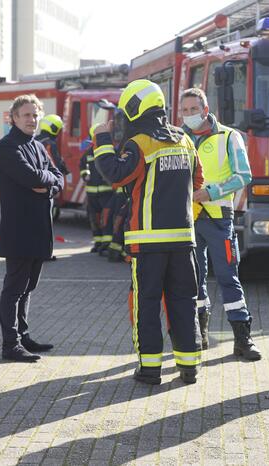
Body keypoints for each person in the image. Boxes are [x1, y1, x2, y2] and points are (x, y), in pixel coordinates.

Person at [94, 79, 204, 385]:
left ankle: (150, 369)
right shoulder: (184, 140)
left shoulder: (139, 143)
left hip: (148, 242)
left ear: (134, 109)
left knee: (147, 304)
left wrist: (102, 140)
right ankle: (189, 366)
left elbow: (117, 175)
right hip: (184, 241)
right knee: (184, 301)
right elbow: (198, 181)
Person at [179, 87, 262, 361]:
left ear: (205, 109)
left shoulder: (229, 137)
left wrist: (211, 192)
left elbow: (244, 176)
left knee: (228, 277)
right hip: (188, 218)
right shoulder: (179, 139)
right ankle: (199, 335)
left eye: (194, 109)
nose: (189, 115)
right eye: (185, 110)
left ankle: (242, 339)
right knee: (194, 278)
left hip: (218, 218)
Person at [0, 94, 64, 363]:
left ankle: (23, 336)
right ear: (14, 117)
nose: (32, 120)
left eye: (35, 115)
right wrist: (47, 182)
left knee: (29, 287)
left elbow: (57, 178)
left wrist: (46, 184)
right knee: (14, 289)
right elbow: (32, 177)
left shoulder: (35, 145)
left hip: (39, 229)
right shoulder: (7, 147)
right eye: (26, 115)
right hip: (19, 229)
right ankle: (10, 345)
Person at [79, 124, 113, 252]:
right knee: (94, 218)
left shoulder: (109, 152)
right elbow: (82, 166)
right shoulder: (88, 153)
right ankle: (98, 242)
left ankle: (107, 243)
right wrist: (84, 175)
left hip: (106, 192)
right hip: (92, 192)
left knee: (106, 218)